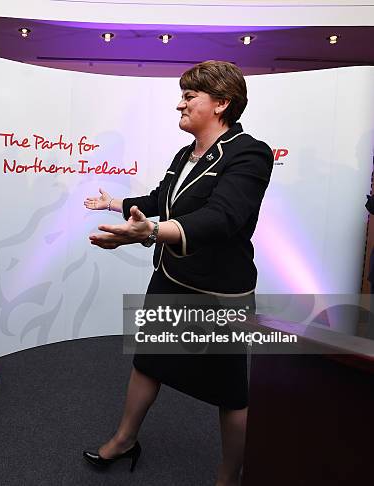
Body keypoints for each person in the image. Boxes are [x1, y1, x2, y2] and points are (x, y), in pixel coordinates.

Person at [82, 61, 273, 486]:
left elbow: (221, 217)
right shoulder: (185, 154)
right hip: (171, 278)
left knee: (229, 392)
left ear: (222, 102)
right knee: (148, 363)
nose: (179, 104)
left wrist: (149, 232)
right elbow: (160, 198)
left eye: (190, 97)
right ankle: (125, 439)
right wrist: (115, 204)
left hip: (219, 292)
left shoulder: (250, 153)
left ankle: (229, 476)